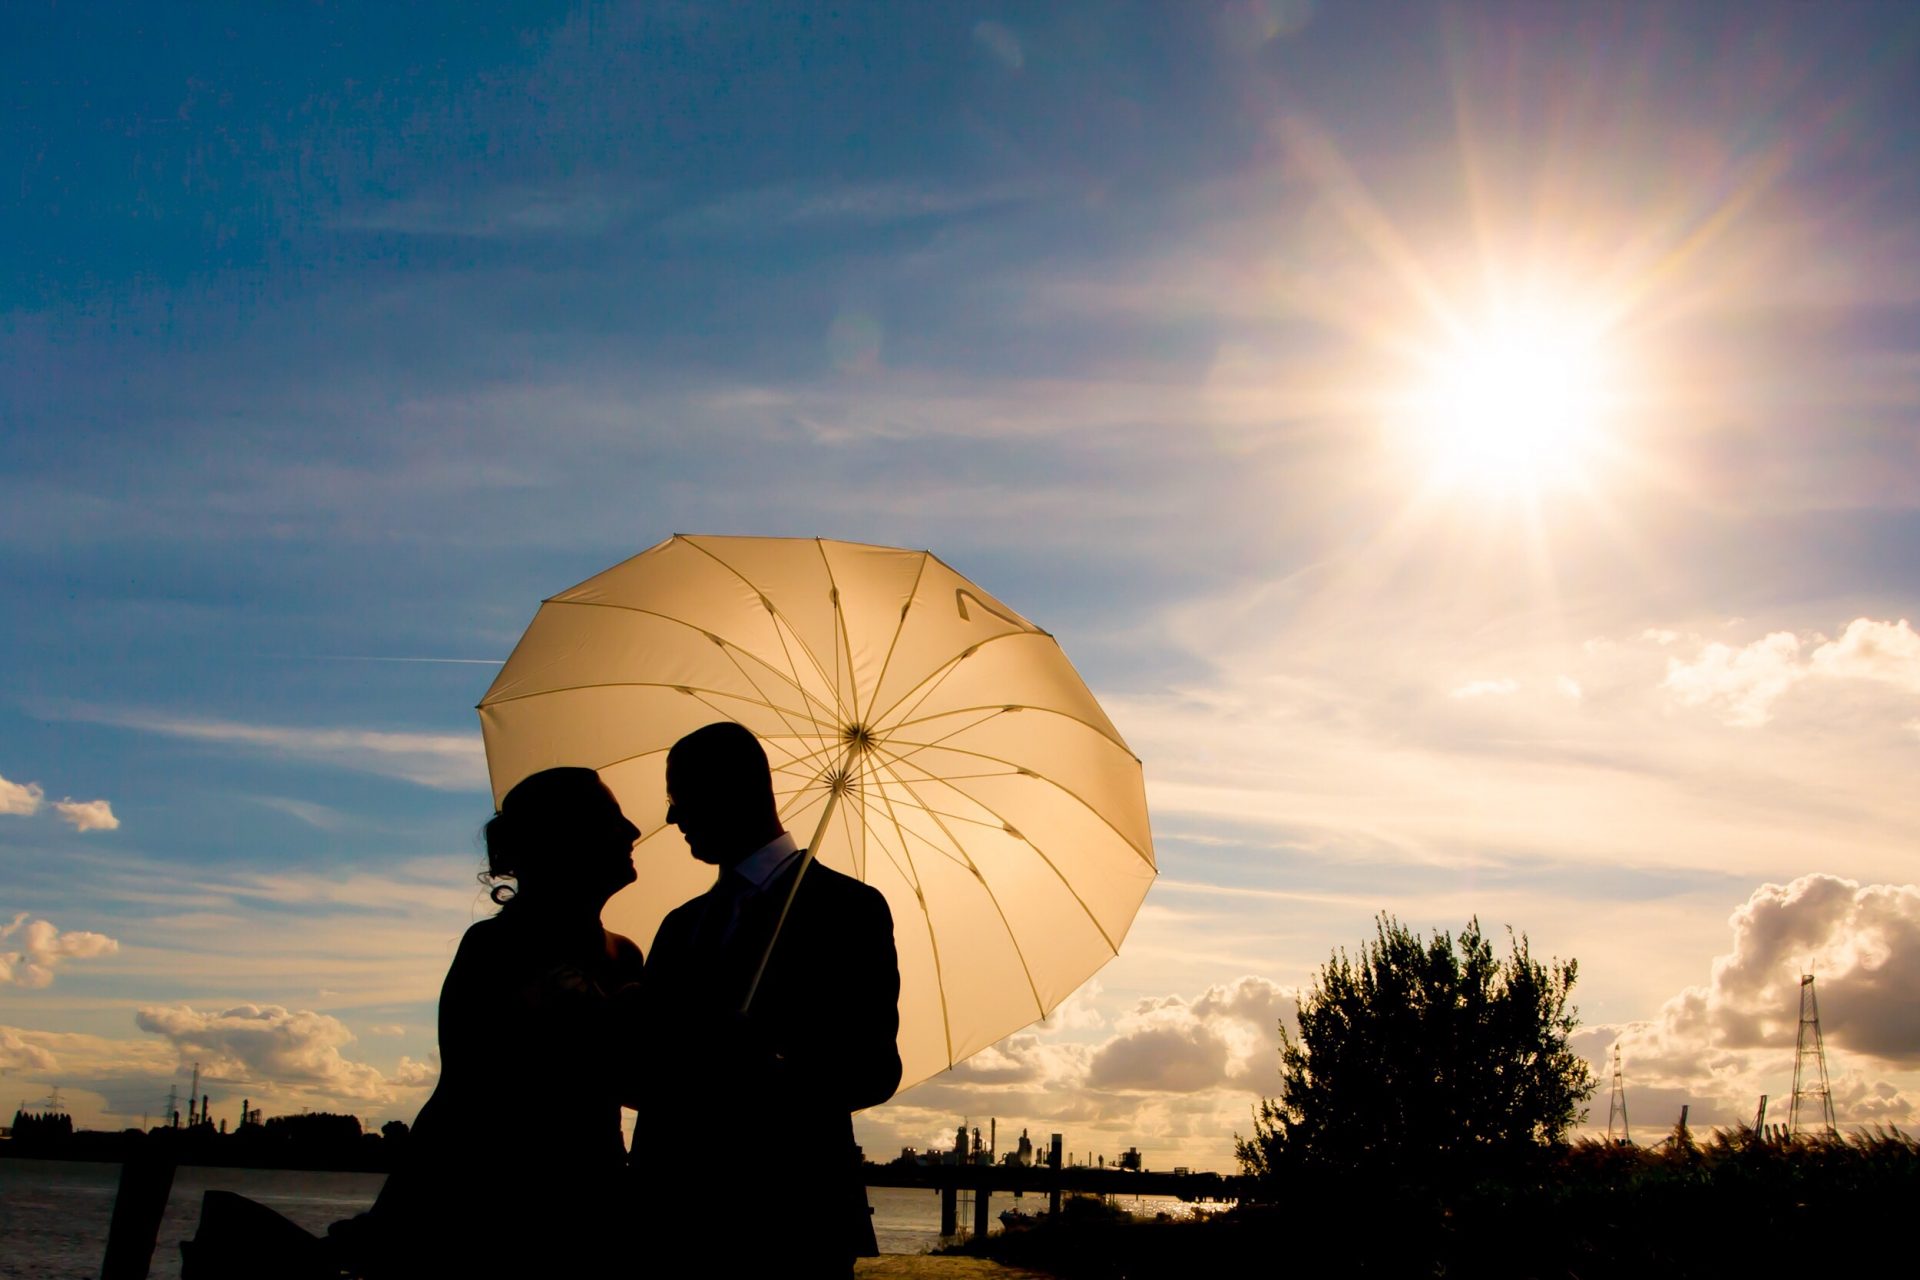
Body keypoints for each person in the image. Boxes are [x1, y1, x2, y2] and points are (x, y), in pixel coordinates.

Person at [332, 766, 645, 1278]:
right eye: (612, 819)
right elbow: (465, 1096)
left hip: (595, 1224)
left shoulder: (626, 958)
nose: (632, 832)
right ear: (565, 840)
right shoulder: (494, 950)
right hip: (493, 1231)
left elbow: (637, 1087)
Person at [634, 722, 901, 1280]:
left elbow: (875, 1069)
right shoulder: (679, 926)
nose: (671, 817)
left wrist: (772, 1062)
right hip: (675, 1226)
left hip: (793, 1225)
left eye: (678, 796)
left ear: (734, 789)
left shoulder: (850, 910)